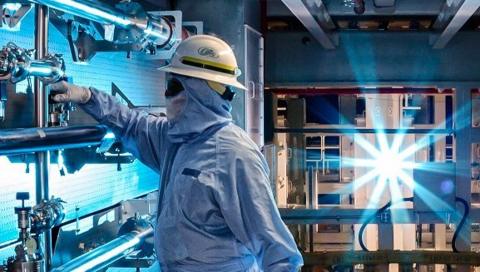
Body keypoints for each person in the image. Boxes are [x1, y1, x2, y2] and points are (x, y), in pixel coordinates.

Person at [51, 35, 303, 272]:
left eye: (173, 86)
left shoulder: (235, 157)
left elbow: (278, 251)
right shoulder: (176, 139)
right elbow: (132, 125)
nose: (166, 94)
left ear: (199, 90)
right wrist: (86, 97)